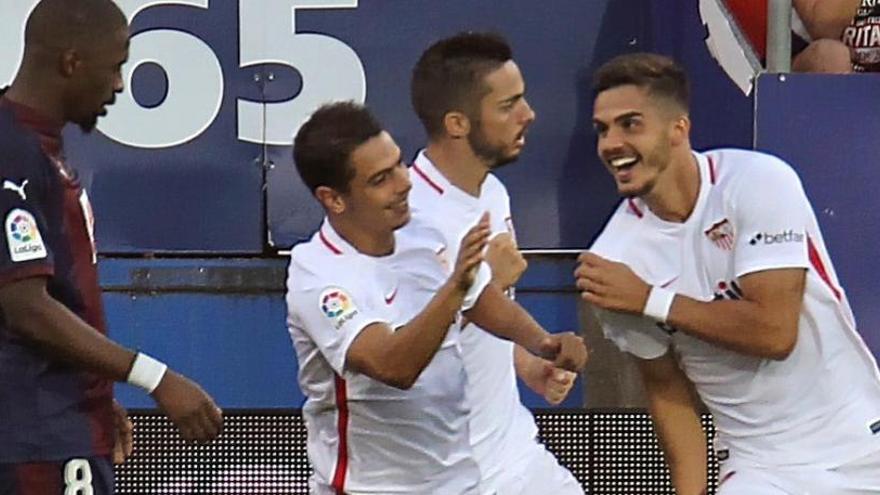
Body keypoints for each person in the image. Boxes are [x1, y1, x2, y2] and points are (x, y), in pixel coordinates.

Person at [576, 52, 880, 494]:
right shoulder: (613, 263)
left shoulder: (757, 182)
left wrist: (651, 300)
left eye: (630, 124)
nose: (611, 143)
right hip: (760, 466)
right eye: (602, 130)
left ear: (679, 129)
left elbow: (776, 333)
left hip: (861, 438)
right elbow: (666, 390)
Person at [286, 101, 587, 494]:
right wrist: (456, 288)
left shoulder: (424, 233)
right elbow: (393, 366)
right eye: (380, 179)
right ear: (334, 199)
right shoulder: (318, 276)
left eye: (398, 164)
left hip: (461, 481)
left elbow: (480, 300)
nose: (403, 183)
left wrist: (543, 344)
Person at [0, 1, 223, 492]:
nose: (120, 85)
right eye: (116, 66)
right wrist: (156, 378)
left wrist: (93, 392)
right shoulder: (11, 152)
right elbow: (24, 306)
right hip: (34, 443)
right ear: (71, 63)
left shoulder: (36, 147)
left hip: (58, 429)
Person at [409, 32, 585, 494]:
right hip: (445, 477)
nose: (528, 115)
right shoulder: (409, 222)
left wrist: (527, 365)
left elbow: (489, 331)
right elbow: (399, 365)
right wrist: (484, 290)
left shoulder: (491, 192)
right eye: (509, 105)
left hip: (515, 458)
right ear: (457, 123)